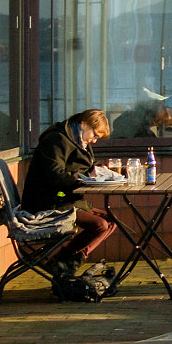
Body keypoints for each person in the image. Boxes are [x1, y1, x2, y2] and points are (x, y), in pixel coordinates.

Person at [23, 108, 122, 266]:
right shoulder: (56, 140)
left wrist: (100, 170)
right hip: (50, 201)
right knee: (100, 225)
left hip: (66, 198)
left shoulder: (78, 140)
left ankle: (65, 261)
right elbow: (55, 175)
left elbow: (82, 166)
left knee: (111, 221)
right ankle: (66, 262)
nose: (95, 140)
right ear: (84, 124)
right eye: (95, 135)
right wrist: (84, 179)